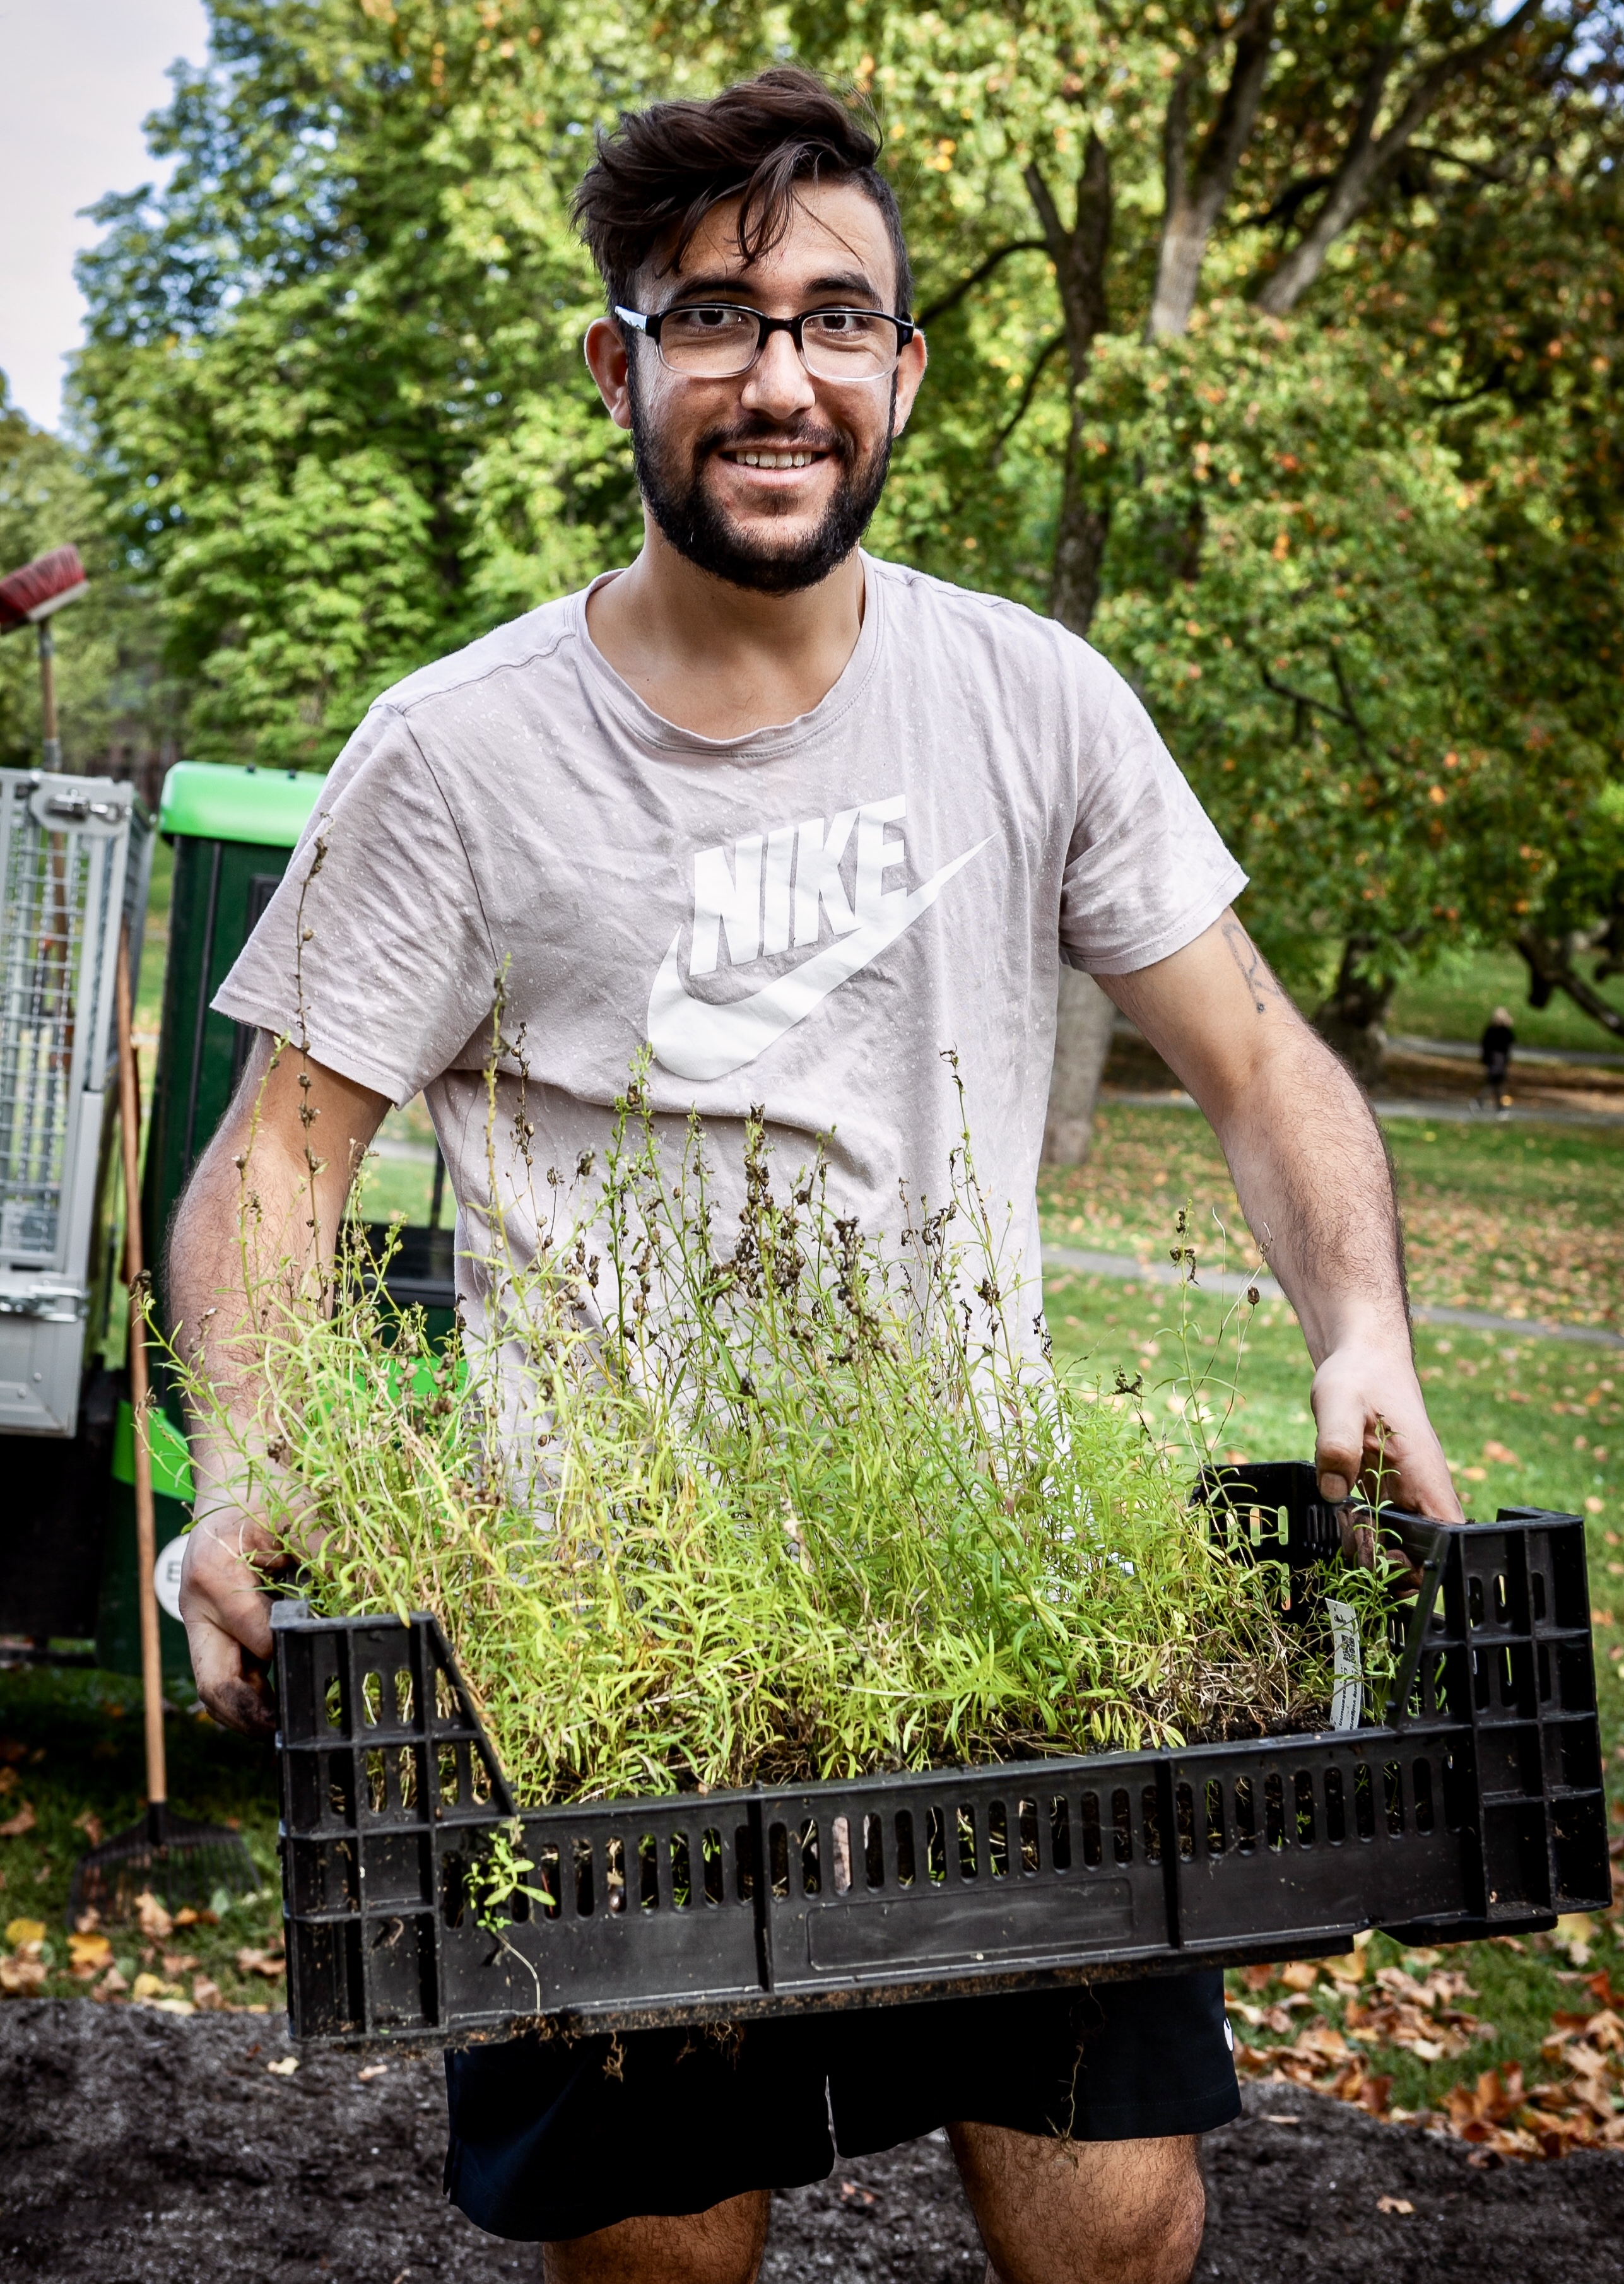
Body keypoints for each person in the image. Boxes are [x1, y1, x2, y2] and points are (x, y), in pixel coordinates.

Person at [173, 68, 1462, 2284]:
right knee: (665, 2259)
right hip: (602, 1671)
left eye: (831, 317)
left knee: (1114, 2226)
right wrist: (243, 1452)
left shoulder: (1032, 702)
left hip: (991, 1641)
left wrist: (1360, 1333)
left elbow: (1260, 1066)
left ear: (900, 369)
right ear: (622, 366)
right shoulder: (463, 753)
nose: (778, 374)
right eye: (712, 318)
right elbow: (275, 1170)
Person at [1480, 1004, 1515, 1112]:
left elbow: (1511, 1039)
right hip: (1496, 1061)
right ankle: (1497, 1106)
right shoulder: (1496, 1031)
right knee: (1496, 1083)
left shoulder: (1495, 1030)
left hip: (1498, 1060)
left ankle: (1499, 1106)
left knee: (1496, 1084)